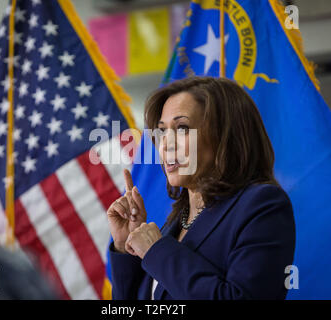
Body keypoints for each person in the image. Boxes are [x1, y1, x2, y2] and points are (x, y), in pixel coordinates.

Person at [107, 76, 296, 300]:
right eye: (162, 131)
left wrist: (156, 251)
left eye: (182, 128)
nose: (166, 144)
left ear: (225, 136)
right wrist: (125, 247)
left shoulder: (263, 206)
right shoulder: (175, 223)